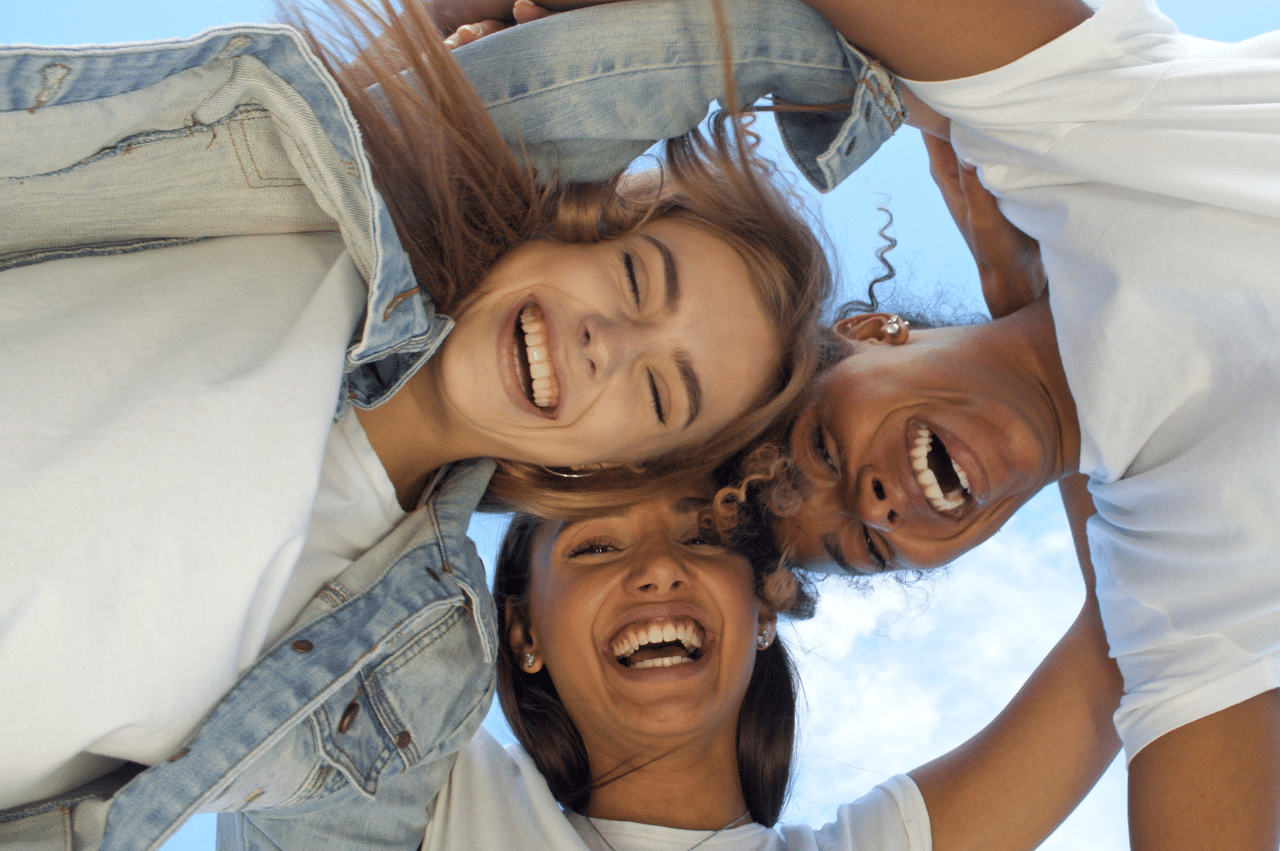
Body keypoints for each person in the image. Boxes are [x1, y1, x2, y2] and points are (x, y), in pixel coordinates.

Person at [0, 0, 846, 844]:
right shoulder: (319, 209)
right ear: (578, 227)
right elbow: (700, 46)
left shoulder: (395, 674)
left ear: (610, 468)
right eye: (633, 277)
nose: (607, 343)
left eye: (661, 394)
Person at [445, 0, 1280, 846]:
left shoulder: (1069, 138)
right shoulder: (1181, 597)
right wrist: (1031, 325)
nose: (877, 502)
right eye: (869, 545)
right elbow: (1118, 654)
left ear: (869, 331)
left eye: (821, 449)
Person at [223, 483, 1124, 851]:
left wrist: (1042, 347)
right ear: (521, 633)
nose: (658, 567)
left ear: (765, 605)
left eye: (704, 535)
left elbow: (1124, 645)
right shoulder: (418, 796)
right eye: (596, 545)